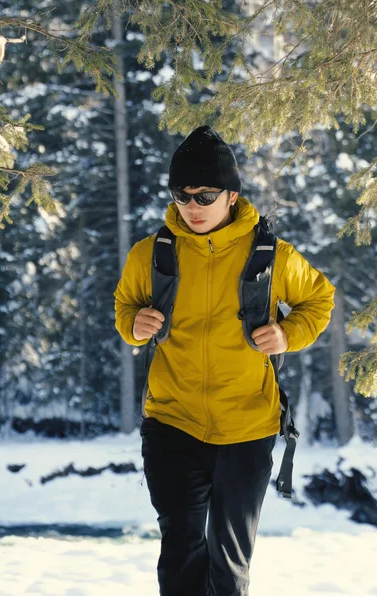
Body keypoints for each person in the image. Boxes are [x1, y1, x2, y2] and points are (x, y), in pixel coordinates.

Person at [114, 125, 335, 596]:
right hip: (172, 421)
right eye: (182, 195)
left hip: (247, 426)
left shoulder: (271, 257)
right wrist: (134, 325)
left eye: (205, 195)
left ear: (231, 195)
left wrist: (288, 332)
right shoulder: (152, 255)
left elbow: (319, 299)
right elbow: (124, 306)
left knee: (229, 560)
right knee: (180, 550)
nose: (191, 207)